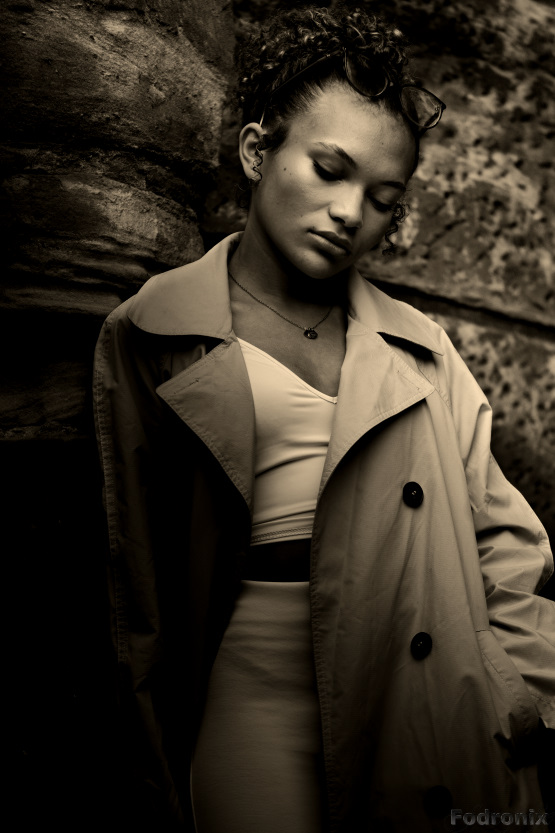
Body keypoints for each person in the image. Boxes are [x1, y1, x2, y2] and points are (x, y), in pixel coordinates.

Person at [93, 6, 555, 832]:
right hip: (243, 702)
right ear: (256, 151)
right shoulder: (150, 332)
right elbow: (134, 579)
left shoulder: (423, 349)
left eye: (382, 198)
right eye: (329, 169)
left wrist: (516, 693)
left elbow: (507, 543)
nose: (350, 212)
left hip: (420, 707)